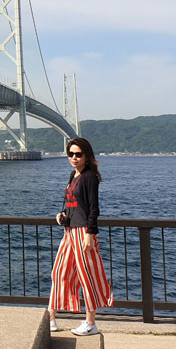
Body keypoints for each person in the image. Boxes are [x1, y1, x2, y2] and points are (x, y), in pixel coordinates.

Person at [46, 137, 114, 336]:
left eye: (78, 154)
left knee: (87, 277)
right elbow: (72, 202)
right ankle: (50, 318)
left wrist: (90, 234)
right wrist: (62, 215)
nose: (74, 158)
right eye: (70, 154)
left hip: (83, 232)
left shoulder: (89, 177)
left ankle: (91, 323)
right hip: (70, 232)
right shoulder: (73, 176)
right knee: (59, 271)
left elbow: (94, 208)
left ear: (86, 156)